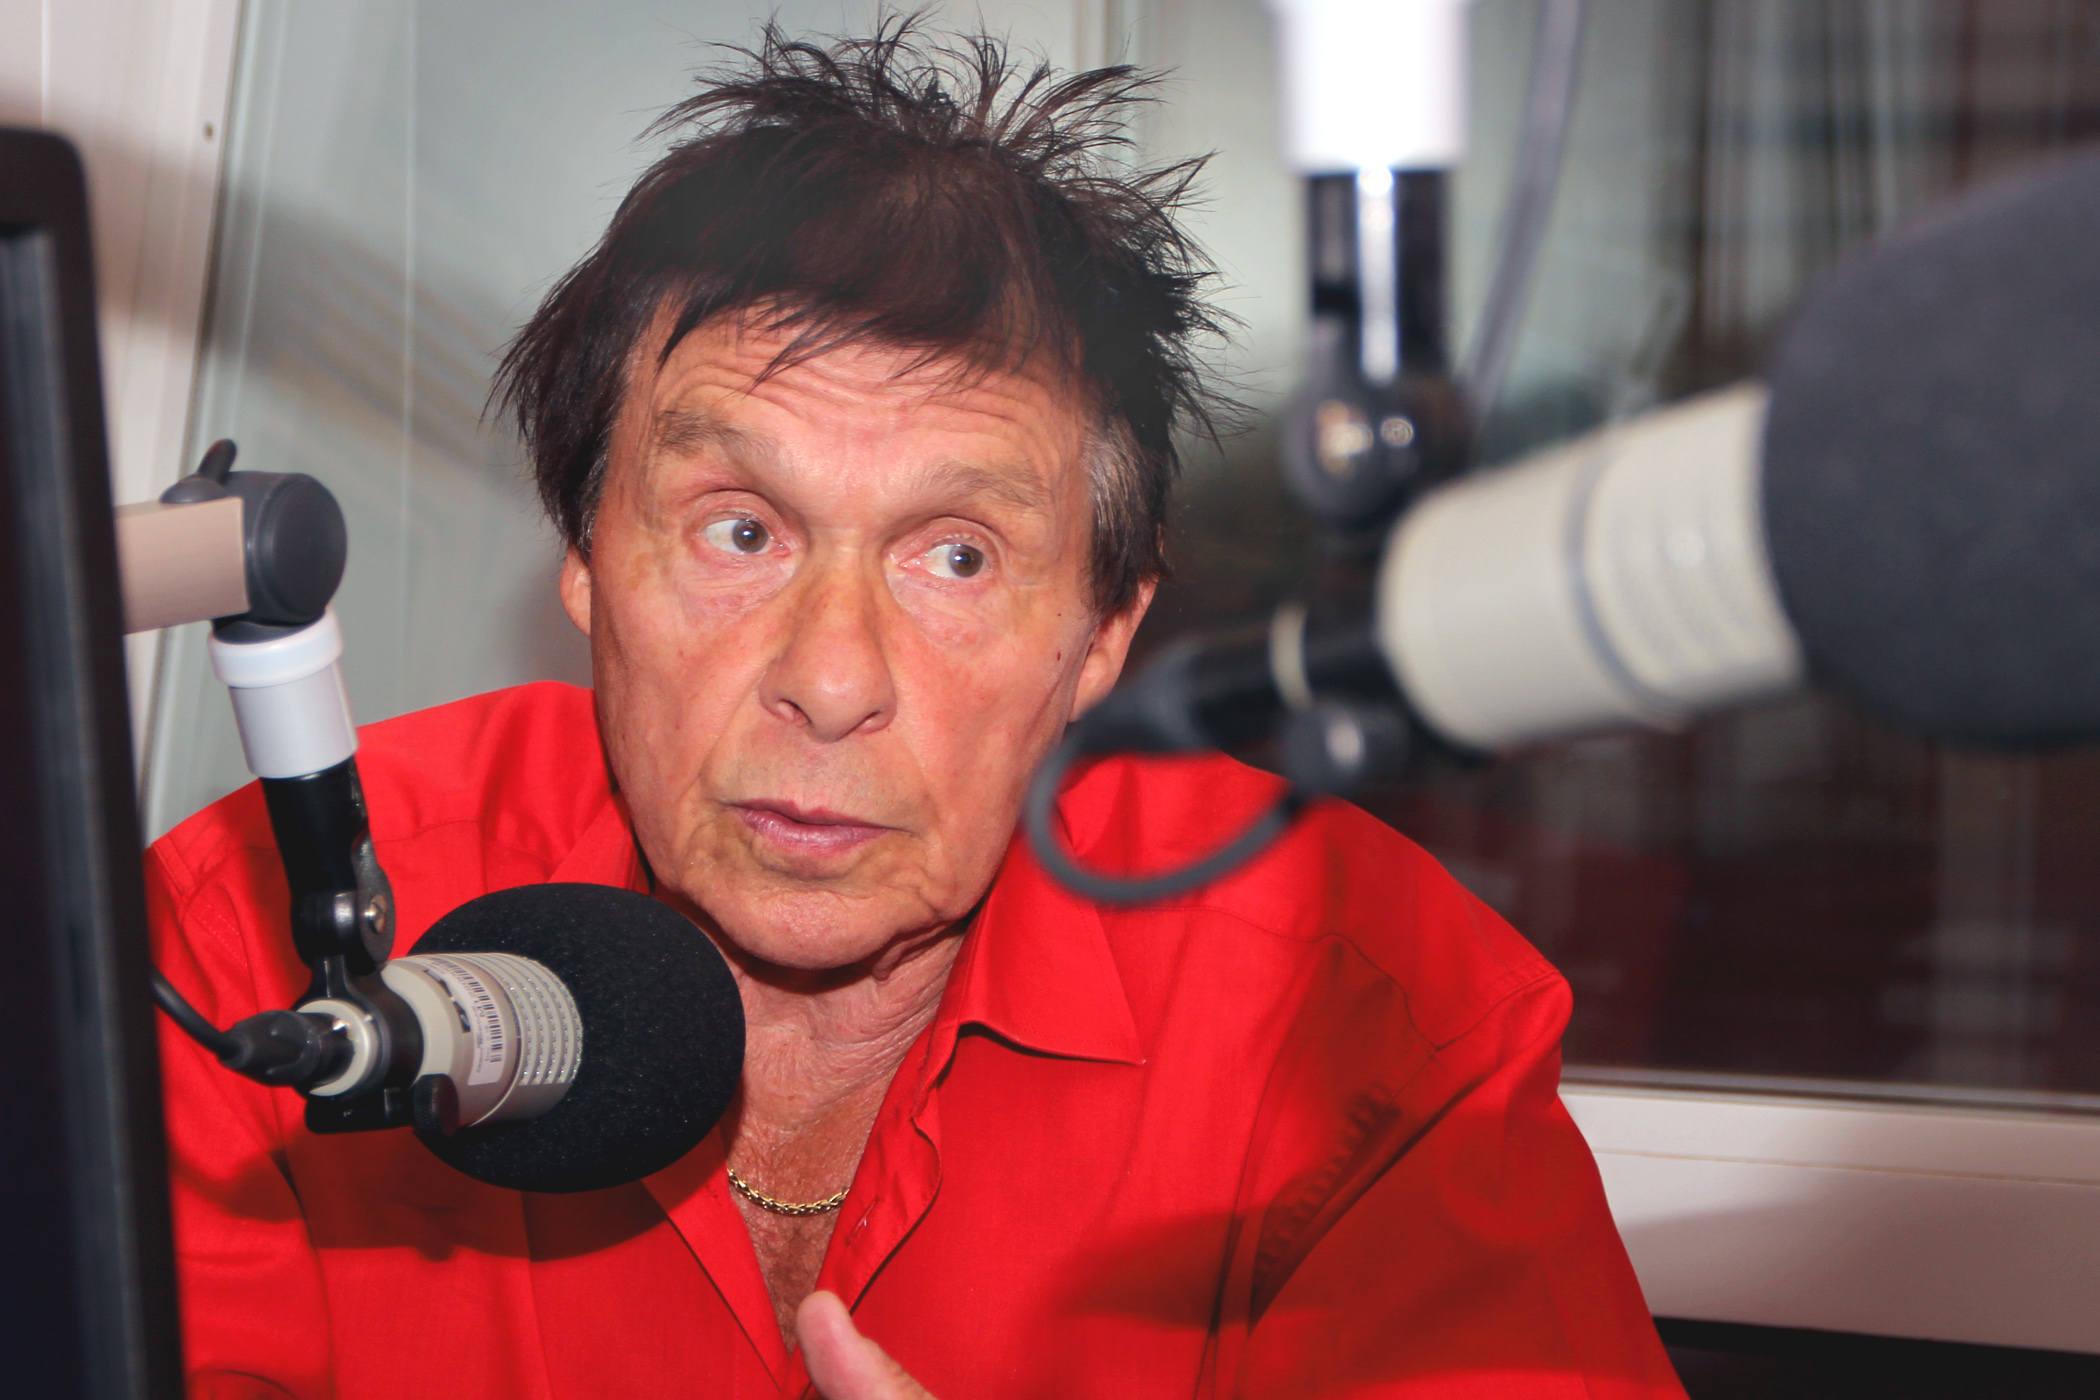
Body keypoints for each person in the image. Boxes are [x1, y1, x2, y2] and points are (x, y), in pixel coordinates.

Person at [149, 23, 1685, 1400]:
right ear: (587, 560)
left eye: (957, 557)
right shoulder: (265, 944)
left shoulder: (1360, 1025)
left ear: (1103, 633)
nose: (831, 679)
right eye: (740, 530)